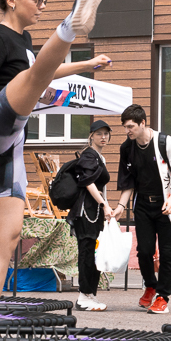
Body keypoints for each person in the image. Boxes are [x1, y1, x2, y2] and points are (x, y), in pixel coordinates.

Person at [0, 0, 114, 339]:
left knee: (8, 237)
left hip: (13, 140)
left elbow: (47, 70)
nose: (42, 5)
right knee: (29, 80)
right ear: (11, 0)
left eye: (46, 0)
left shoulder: (25, 40)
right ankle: (72, 21)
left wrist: (87, 64)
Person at [117, 103, 171, 314]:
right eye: (125, 127)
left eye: (131, 126)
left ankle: (162, 296)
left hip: (167, 203)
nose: (127, 131)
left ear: (142, 123)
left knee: (168, 252)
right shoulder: (127, 148)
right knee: (144, 251)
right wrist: (120, 207)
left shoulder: (164, 142)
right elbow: (128, 183)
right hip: (143, 205)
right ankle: (150, 286)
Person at [64, 119, 115, 310]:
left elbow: (99, 186)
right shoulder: (88, 155)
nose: (103, 137)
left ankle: (90, 295)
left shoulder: (99, 157)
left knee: (94, 253)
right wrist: (104, 205)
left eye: (106, 133)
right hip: (86, 212)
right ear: (91, 136)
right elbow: (88, 182)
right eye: (99, 133)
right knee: (87, 253)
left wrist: (105, 207)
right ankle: (84, 296)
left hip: (95, 211)